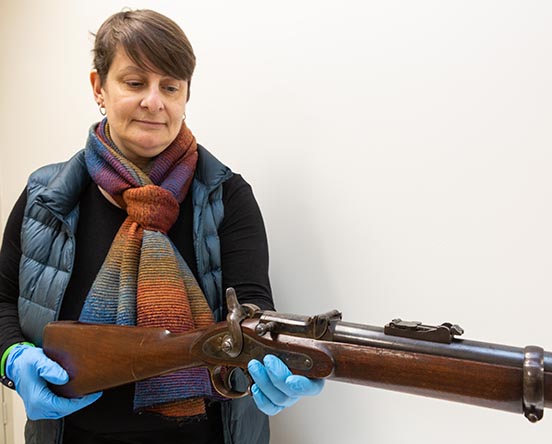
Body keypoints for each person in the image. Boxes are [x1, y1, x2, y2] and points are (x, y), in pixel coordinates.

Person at [0, 9, 322, 444]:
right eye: (135, 83)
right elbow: (2, 302)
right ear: (99, 87)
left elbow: (252, 315)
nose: (154, 101)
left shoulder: (227, 196)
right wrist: (12, 360)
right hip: (70, 435)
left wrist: (277, 369)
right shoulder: (45, 197)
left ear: (186, 95)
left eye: (170, 86)